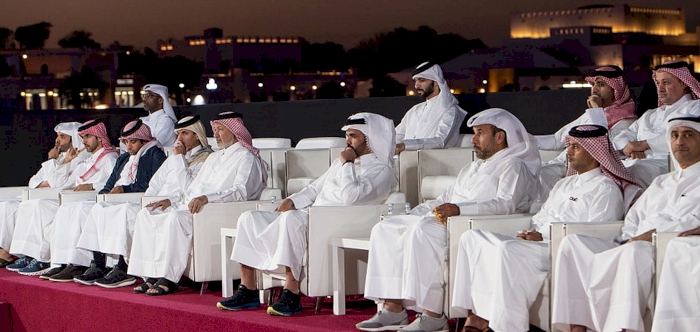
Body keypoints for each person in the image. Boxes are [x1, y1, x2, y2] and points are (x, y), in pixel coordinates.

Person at [357, 108, 540, 332]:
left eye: (480, 133)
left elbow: (505, 204)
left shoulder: (513, 165)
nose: (473, 139)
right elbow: (443, 199)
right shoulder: (472, 168)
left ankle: (433, 315)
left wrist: (459, 210)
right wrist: (413, 214)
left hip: (477, 227)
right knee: (386, 227)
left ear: (500, 137)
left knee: (424, 230)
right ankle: (392, 309)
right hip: (451, 220)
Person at [453, 124, 638, 332]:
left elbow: (595, 236)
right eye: (569, 146)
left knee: (508, 249)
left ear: (595, 152)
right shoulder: (563, 184)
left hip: (559, 250)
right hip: (538, 243)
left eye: (575, 147)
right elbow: (540, 217)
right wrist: (531, 233)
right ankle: (475, 313)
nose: (568, 152)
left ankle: (505, 326)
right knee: (472, 237)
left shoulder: (606, 189)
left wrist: (543, 237)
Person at [217, 112, 396, 316]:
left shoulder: (381, 170)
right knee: (248, 218)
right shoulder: (341, 162)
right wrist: (293, 200)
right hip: (311, 216)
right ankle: (248, 289)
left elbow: (350, 197)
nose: (348, 141)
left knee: (292, 219)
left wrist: (347, 164)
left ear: (369, 139)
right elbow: (315, 188)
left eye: (353, 136)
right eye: (347, 135)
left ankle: (292, 293)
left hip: (333, 222)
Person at [551, 111, 700, 332]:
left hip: (663, 247)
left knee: (633, 252)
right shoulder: (661, 182)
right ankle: (577, 325)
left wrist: (645, 237)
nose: (679, 141)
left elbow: (691, 221)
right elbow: (633, 218)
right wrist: (630, 237)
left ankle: (623, 328)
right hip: (632, 241)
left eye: (688, 135)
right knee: (573, 244)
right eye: (675, 135)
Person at [127, 111, 267, 295]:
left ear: (234, 131)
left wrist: (208, 198)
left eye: (220, 130)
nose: (216, 134)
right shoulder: (215, 157)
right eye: (214, 130)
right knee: (147, 214)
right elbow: (191, 189)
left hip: (217, 211)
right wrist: (172, 200)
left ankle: (169, 278)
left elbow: (241, 192)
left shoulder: (247, 158)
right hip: (195, 206)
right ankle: (151, 274)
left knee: (176, 218)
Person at [44, 120, 168, 283]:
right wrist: (105, 194)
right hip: (119, 199)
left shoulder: (154, 154)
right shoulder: (124, 158)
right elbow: (109, 184)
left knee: (121, 212)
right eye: (126, 142)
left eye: (133, 142)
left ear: (144, 140)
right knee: (98, 208)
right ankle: (98, 263)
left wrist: (124, 190)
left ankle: (123, 267)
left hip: (137, 201)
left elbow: (153, 184)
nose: (129, 146)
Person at [6, 119, 120, 275]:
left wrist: (93, 186)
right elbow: (59, 183)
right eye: (83, 137)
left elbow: (114, 185)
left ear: (99, 138)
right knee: (50, 206)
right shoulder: (86, 159)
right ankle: (59, 261)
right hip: (74, 199)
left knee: (61, 208)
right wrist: (63, 162)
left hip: (92, 201)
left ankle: (75, 262)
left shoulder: (110, 158)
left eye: (87, 137)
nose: (84, 141)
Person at [536, 66, 637, 198]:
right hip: (561, 163)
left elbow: (602, 147)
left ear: (616, 90)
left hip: (579, 170)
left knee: (538, 176)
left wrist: (596, 110)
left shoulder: (627, 121)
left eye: (601, 84)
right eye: (593, 84)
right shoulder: (591, 114)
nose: (594, 89)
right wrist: (520, 139)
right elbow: (557, 139)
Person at [0, 122, 85, 267]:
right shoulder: (58, 158)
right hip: (40, 194)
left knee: (34, 205)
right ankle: (5, 251)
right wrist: (48, 178)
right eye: (57, 136)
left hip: (57, 199)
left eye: (62, 136)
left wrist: (51, 162)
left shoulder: (79, 160)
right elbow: (33, 180)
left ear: (73, 140)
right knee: (6, 205)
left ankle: (35, 255)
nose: (57, 140)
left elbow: (59, 184)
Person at [612, 60, 700, 187]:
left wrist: (644, 144)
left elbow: (689, 138)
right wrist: (629, 149)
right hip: (635, 161)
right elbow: (624, 135)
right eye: (658, 83)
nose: (660, 89)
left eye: (666, 83)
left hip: (668, 165)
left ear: (683, 83)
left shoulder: (694, 108)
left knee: (634, 170)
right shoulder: (650, 114)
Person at [394, 61, 467, 154]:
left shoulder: (450, 111)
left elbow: (440, 141)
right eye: (415, 81)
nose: (416, 85)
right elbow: (396, 136)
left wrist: (406, 145)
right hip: (407, 163)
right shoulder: (415, 110)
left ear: (436, 82)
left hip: (435, 164)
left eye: (421, 80)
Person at [139, 84, 177, 148]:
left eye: (149, 96)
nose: (144, 99)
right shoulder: (142, 120)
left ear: (160, 100)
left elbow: (153, 144)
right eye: (144, 95)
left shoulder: (166, 121)